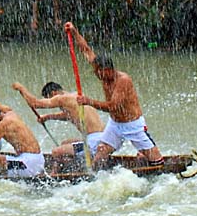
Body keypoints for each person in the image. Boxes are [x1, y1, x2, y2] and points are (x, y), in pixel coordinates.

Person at [65, 22, 164, 167]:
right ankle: (98, 177)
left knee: (156, 160)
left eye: (99, 72)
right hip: (115, 124)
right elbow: (85, 49)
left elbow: (113, 106)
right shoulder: (101, 70)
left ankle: (152, 164)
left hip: (132, 124)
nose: (97, 75)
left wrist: (88, 101)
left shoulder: (123, 81)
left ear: (109, 69)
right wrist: (73, 31)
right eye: (96, 71)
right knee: (100, 153)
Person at [12, 81, 105, 163]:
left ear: (53, 93)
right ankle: (77, 165)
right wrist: (48, 117)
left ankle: (56, 175)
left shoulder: (61, 99)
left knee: (56, 152)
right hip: (102, 138)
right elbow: (69, 116)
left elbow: (35, 103)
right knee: (65, 143)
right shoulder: (75, 95)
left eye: (49, 98)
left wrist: (21, 88)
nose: (51, 101)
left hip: (93, 142)